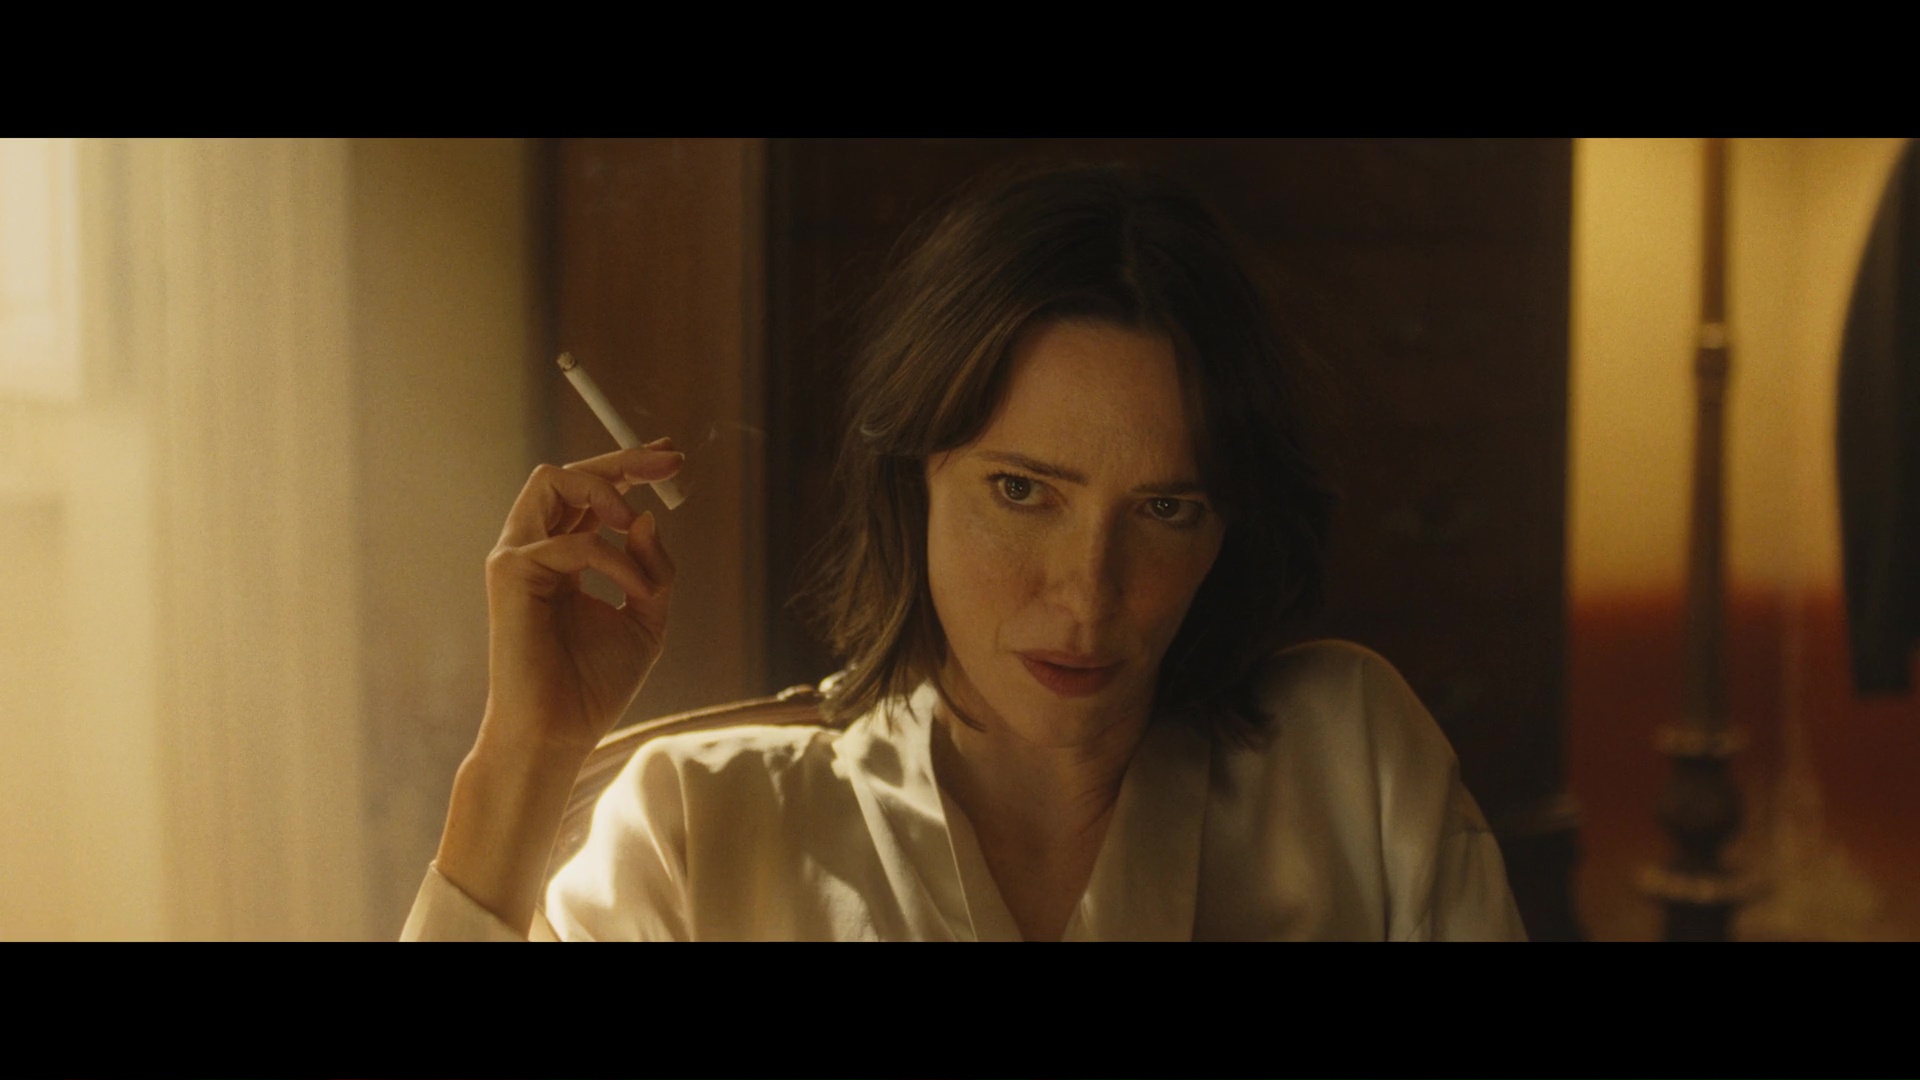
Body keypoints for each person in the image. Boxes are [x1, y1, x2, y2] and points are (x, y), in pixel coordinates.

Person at [403, 163, 1528, 941]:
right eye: (1022, 491)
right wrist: (525, 754)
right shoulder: (701, 828)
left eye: (1166, 509)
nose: (1088, 594)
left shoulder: (1348, 763)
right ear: (916, 480)